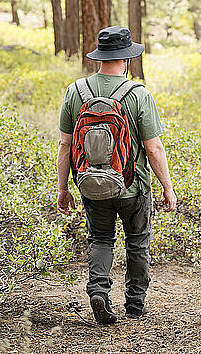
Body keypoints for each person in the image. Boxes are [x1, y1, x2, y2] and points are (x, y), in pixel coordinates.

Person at [57, 26, 177, 324]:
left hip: (90, 186)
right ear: (126, 59)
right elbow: (154, 148)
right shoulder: (137, 94)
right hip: (132, 187)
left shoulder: (76, 91)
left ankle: (98, 291)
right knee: (137, 243)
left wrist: (62, 188)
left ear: (100, 57)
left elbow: (64, 144)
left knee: (100, 239)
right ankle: (135, 306)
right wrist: (167, 188)